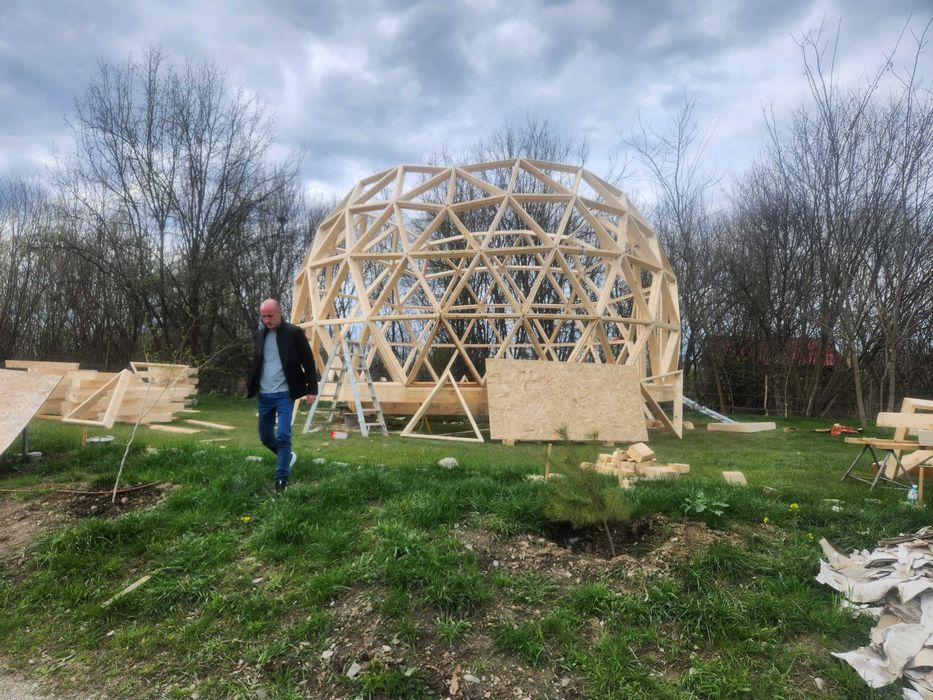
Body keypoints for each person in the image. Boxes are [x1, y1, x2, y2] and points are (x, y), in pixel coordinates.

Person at [247, 298, 317, 493]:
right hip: (264, 395)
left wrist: (311, 388)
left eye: (270, 316)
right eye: (263, 316)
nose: (267, 320)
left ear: (280, 313)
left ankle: (281, 479)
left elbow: (308, 361)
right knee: (265, 436)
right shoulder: (259, 335)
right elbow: (259, 362)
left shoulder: (294, 333)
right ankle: (287, 456)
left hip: (285, 394)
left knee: (284, 435)